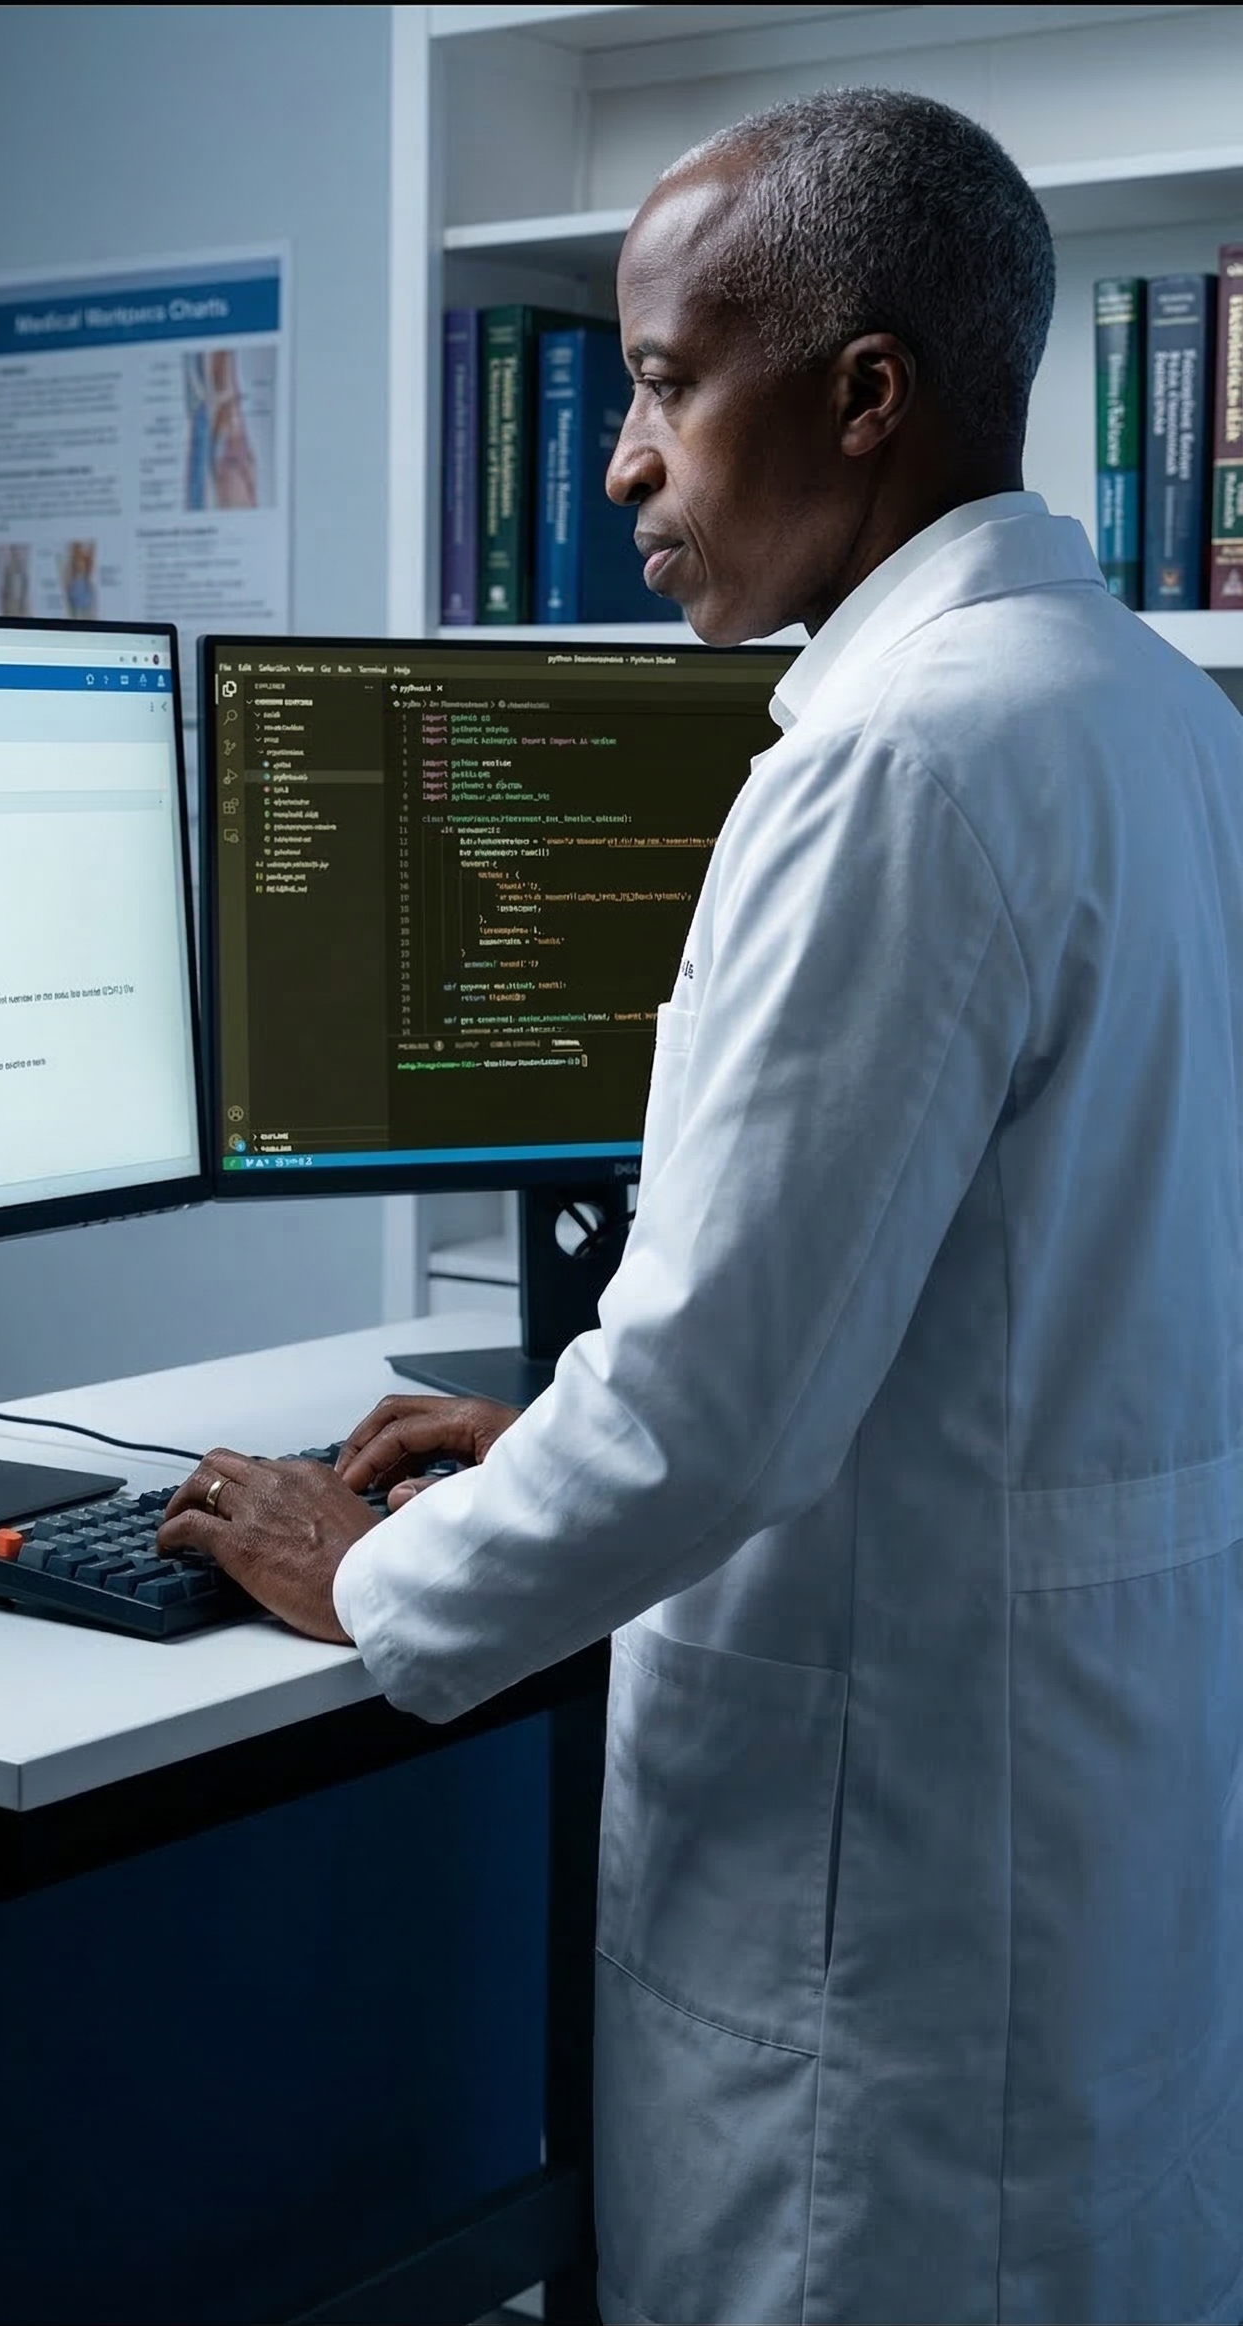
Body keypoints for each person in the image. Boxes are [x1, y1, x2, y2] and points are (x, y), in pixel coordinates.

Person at [160, 87, 1243, 2325]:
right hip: (1087, 1823)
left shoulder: (895, 758)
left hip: (899, 1910)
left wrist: (383, 1570)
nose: (625, 463)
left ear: (863, 396)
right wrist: (539, 1432)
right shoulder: (1153, 709)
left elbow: (715, 1419)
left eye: (663, 384)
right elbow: (952, 1302)